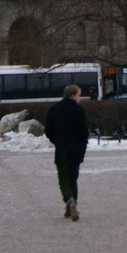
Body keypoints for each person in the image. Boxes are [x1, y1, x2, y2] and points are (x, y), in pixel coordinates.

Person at [44, 84, 89, 221]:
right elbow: (84, 132)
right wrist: (81, 145)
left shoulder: (54, 109)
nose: (80, 98)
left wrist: (57, 141)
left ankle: (69, 202)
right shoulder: (79, 110)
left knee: (64, 180)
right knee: (73, 179)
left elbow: (48, 130)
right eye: (79, 94)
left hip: (62, 150)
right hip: (76, 152)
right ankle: (72, 206)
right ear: (72, 95)